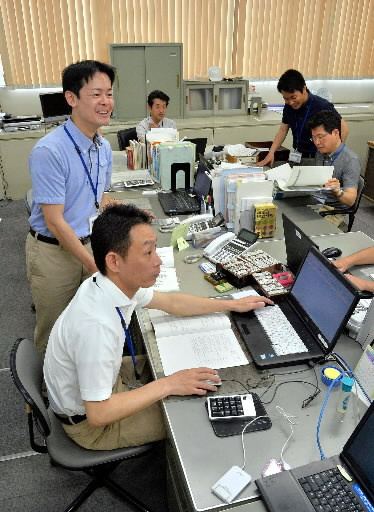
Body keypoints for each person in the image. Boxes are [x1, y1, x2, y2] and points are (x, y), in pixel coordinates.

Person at [44, 204, 273, 450]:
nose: (158, 262)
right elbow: (98, 413)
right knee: (198, 415)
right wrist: (170, 384)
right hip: (92, 427)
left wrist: (231, 303)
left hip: (105, 384)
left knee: (193, 375)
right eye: (148, 253)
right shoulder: (95, 327)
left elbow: (171, 301)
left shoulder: (108, 283)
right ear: (114, 261)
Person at [26, 60, 118, 359]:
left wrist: (127, 214)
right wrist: (93, 264)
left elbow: (97, 198)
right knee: (54, 332)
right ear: (71, 98)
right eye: (96, 94)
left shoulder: (103, 147)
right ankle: (46, 401)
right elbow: (54, 222)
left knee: (90, 327)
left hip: (90, 244)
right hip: (55, 253)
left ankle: (83, 395)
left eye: (109, 93)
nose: (106, 102)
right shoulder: (50, 151)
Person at [257, 69, 348, 167]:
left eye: (293, 97)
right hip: (297, 156)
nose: (290, 102)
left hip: (316, 158)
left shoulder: (321, 105)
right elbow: (283, 130)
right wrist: (271, 153)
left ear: (304, 89)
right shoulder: (288, 107)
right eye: (286, 99)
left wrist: (331, 155)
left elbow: (344, 129)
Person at [308, 110, 360, 210]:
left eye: (320, 137)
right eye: (313, 138)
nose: (317, 143)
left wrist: (338, 192)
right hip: (315, 201)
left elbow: (350, 201)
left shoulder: (351, 160)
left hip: (332, 209)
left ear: (335, 133)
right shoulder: (320, 152)